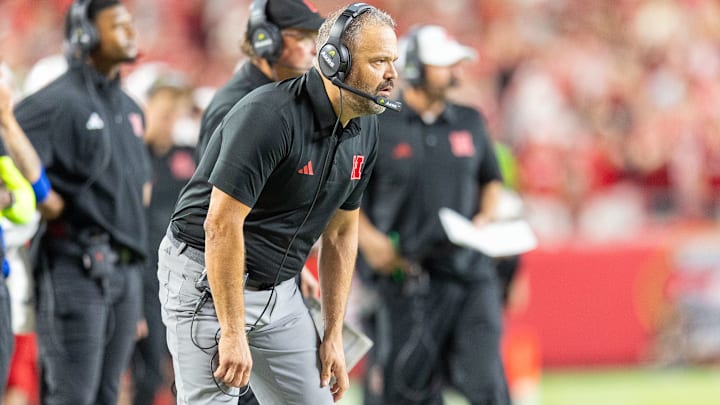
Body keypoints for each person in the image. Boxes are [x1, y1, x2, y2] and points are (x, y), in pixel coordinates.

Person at [158, 3, 398, 404]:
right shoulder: (269, 115)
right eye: (378, 61)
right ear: (333, 61)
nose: (392, 74)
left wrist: (333, 334)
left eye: (393, 60)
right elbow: (220, 224)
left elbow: (340, 232)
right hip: (208, 281)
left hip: (279, 287)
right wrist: (232, 330)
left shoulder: (365, 126)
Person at [357, 25, 511, 404]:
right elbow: (346, 195)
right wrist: (369, 240)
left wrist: (486, 218)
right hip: (406, 277)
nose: (455, 71)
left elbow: (491, 180)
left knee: (486, 381)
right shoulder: (377, 123)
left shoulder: (470, 120)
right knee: (407, 388)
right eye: (443, 64)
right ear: (412, 68)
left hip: (469, 272)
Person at [6, 1, 151, 403]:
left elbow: (139, 191)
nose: (130, 32)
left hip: (125, 273)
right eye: (117, 25)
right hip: (75, 265)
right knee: (73, 395)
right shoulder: (54, 103)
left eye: (129, 23)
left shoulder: (129, 108)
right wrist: (44, 200)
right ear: (85, 35)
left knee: (107, 394)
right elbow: (10, 144)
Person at [128, 67, 195, 405]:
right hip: (142, 277)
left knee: (185, 372)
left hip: (185, 279)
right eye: (163, 108)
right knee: (144, 373)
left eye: (174, 109)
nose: (169, 118)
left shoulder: (190, 156)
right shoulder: (132, 158)